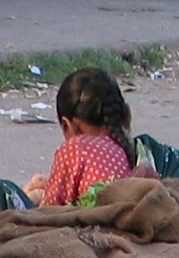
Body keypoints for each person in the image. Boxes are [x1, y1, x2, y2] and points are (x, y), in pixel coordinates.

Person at [39, 67, 136, 208]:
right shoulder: (127, 149)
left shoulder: (75, 148)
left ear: (67, 125)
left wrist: (34, 196)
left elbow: (51, 208)